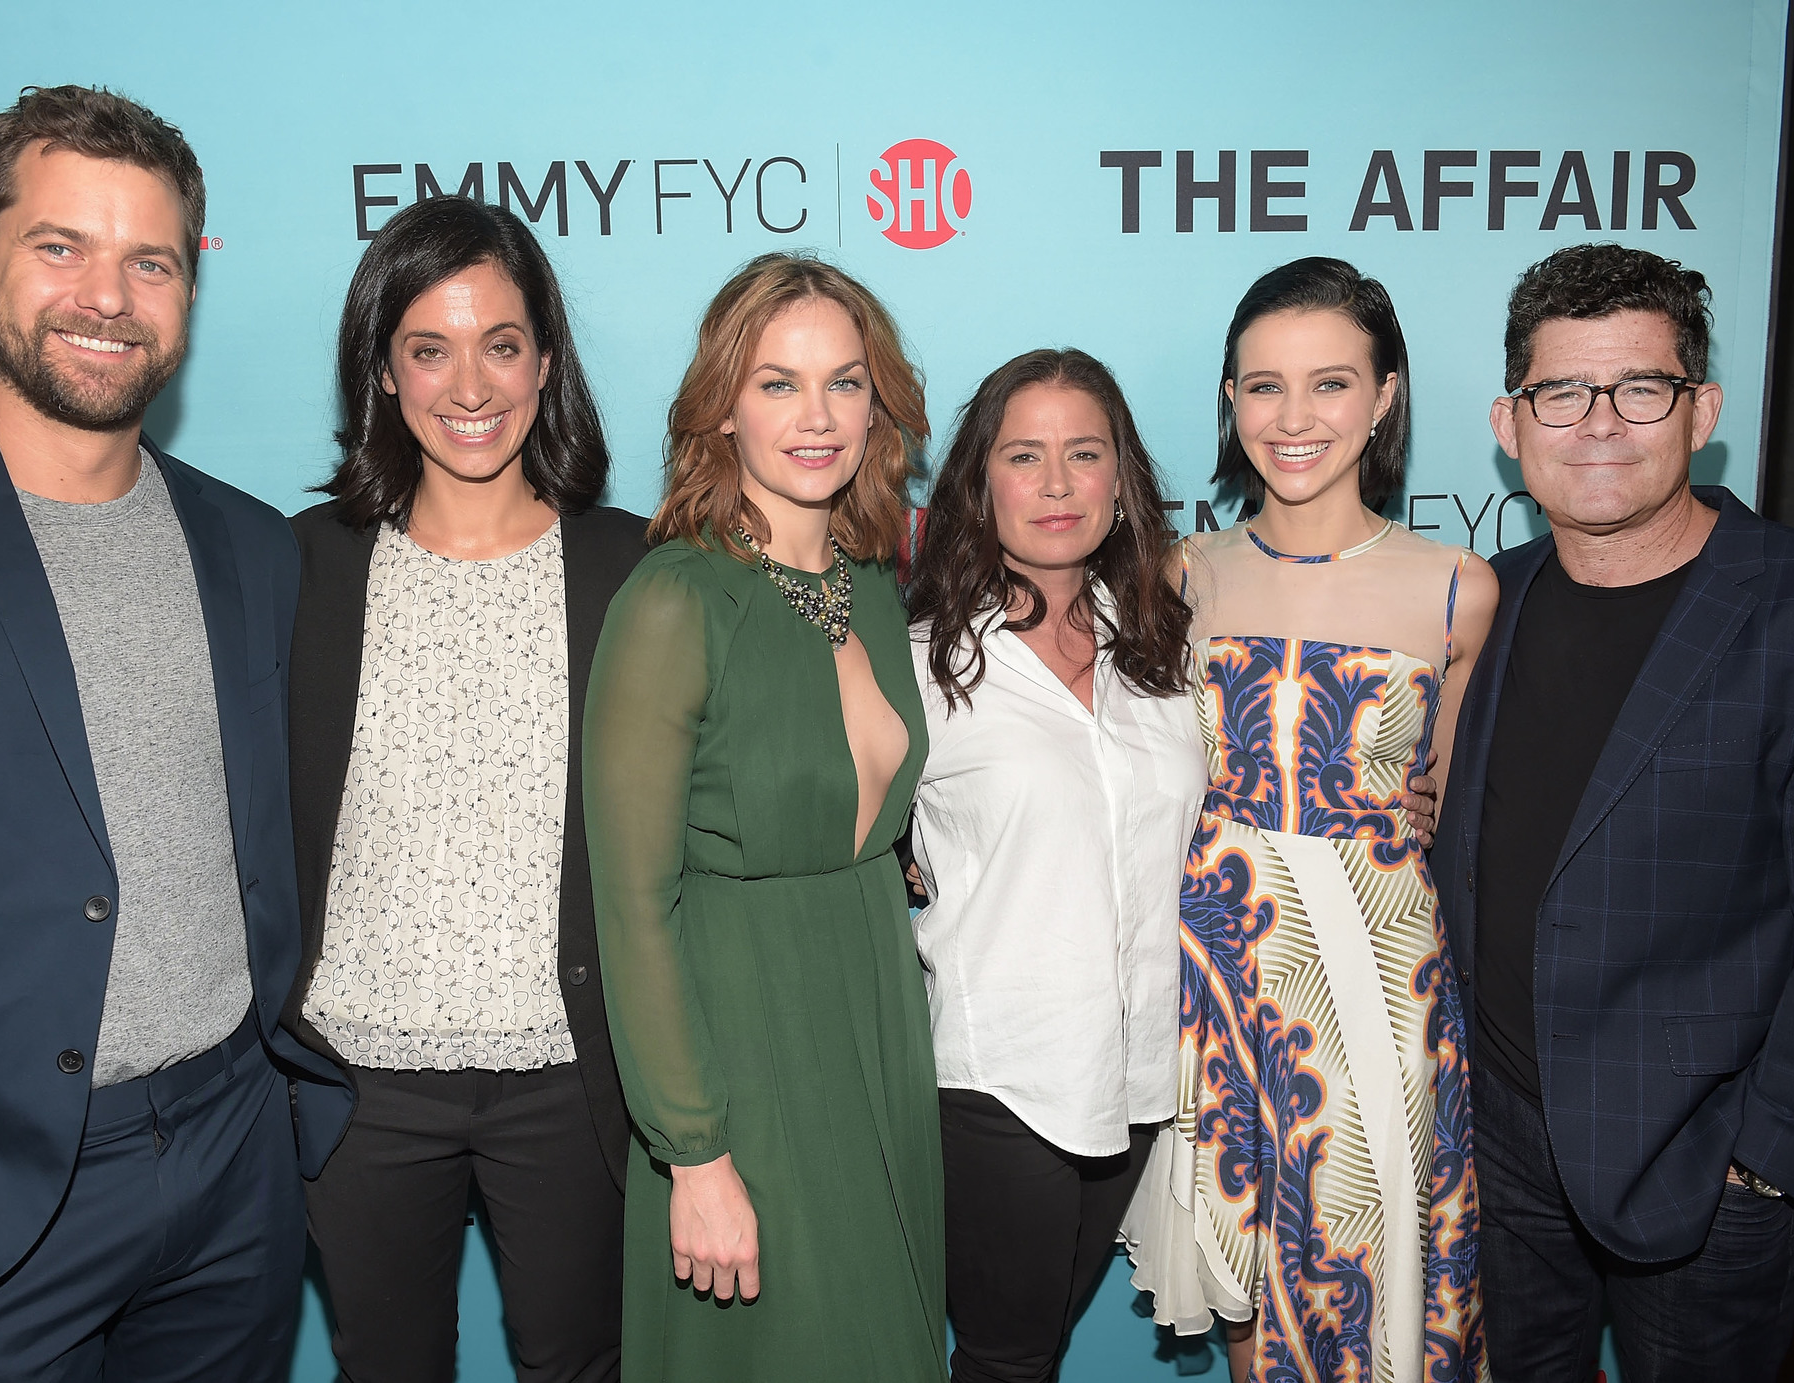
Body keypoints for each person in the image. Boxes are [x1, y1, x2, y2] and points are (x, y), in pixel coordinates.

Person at [0, 86, 351, 1381]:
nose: (108, 294)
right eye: (61, 247)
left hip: (233, 1171)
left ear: (188, 293)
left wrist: (283, 1123)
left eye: (148, 260)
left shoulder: (252, 547)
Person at [1433, 243, 1794, 1383]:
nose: (1597, 422)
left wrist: (1772, 1161)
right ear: (1508, 425)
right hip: (1496, 1153)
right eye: (1560, 392)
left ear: (1699, 408)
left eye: (1639, 388)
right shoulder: (1482, 600)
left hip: (1705, 1174)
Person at [283, 197, 642, 1383]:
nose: (469, 384)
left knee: (581, 1364)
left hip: (570, 1075)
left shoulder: (631, 568)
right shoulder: (305, 565)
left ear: (545, 358)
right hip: (361, 1083)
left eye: (500, 343)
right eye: (428, 349)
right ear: (382, 372)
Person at [581, 252, 943, 1382]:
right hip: (740, 1050)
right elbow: (633, 905)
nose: (816, 415)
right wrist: (693, 1154)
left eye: (844, 381)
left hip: (875, 1025)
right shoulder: (674, 599)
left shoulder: (870, 578)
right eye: (777, 383)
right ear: (720, 408)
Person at [1141, 257, 1497, 1381]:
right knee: (1243, 1275)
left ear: (1384, 395)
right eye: (1261, 387)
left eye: (1329, 384)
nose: (1292, 420)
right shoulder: (1175, 574)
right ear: (1228, 399)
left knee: (1369, 1272)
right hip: (1214, 970)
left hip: (1379, 982)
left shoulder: (1457, 589)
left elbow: (1444, 808)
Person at [904, 348, 1203, 1383]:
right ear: (979, 484)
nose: (1057, 484)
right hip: (997, 1078)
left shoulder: (1165, 648)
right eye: (1023, 457)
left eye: (1084, 454)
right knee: (1004, 1360)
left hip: (1137, 1072)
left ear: (1120, 481)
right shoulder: (921, 665)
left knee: (1033, 1353)